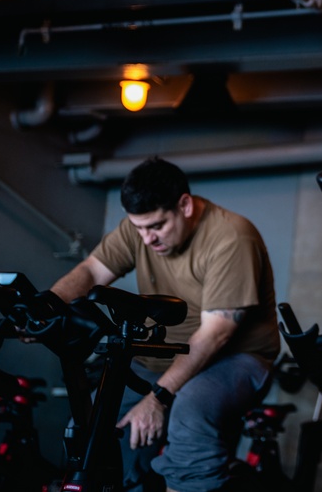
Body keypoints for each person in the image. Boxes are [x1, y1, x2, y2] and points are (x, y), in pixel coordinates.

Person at [49, 157, 280, 492]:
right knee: (90, 426)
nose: (146, 239)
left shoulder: (231, 237)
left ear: (184, 205)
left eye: (156, 226)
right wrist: (51, 305)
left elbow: (216, 335)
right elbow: (91, 272)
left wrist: (158, 397)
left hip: (235, 359)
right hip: (159, 358)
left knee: (191, 412)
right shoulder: (140, 228)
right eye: (138, 228)